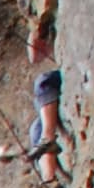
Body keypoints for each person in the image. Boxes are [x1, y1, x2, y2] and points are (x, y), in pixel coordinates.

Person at [25, 32, 68, 176]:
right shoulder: (43, 24)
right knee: (35, 129)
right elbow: (34, 57)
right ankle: (50, 179)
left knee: (44, 81)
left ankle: (48, 138)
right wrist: (38, 32)